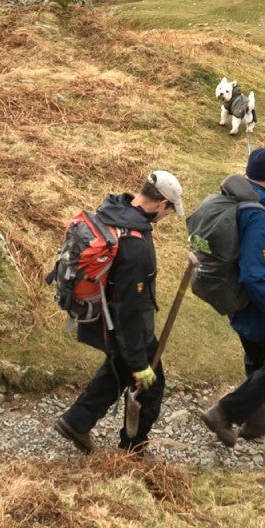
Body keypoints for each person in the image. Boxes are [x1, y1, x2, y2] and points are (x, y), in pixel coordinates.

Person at [50, 169, 180, 455]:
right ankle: (133, 449)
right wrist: (138, 361)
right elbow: (130, 308)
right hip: (121, 324)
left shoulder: (114, 209)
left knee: (117, 371)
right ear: (162, 204)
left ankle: (76, 422)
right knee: (150, 385)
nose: (167, 218)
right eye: (169, 212)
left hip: (101, 314)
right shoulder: (135, 245)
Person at [198, 147, 265, 449]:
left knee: (258, 358)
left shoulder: (230, 201)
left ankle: (257, 422)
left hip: (236, 301)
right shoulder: (257, 216)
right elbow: (254, 275)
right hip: (258, 305)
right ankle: (224, 413)